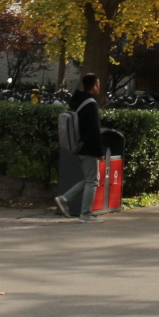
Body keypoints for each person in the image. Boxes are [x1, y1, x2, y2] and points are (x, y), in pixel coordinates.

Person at [55, 73, 105, 220]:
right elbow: (94, 130)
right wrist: (99, 151)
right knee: (92, 181)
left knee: (90, 178)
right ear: (95, 85)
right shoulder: (91, 104)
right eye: (98, 85)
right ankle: (85, 214)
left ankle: (64, 199)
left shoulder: (77, 102)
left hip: (76, 146)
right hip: (88, 148)